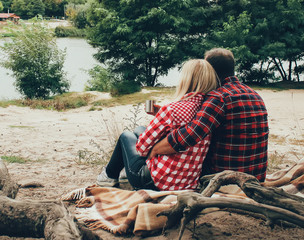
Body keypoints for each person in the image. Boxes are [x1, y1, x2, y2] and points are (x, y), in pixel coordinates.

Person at [97, 59, 219, 190]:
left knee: (126, 136)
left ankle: (109, 176)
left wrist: (161, 117)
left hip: (155, 182)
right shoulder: (208, 114)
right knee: (140, 129)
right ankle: (118, 173)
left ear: (185, 80)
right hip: (187, 181)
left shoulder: (172, 109)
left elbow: (141, 149)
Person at [149, 48, 269, 182]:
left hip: (226, 180)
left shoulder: (219, 97)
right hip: (256, 178)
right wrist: (166, 114)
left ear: (209, 70)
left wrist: (155, 149)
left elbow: (188, 136)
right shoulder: (253, 94)